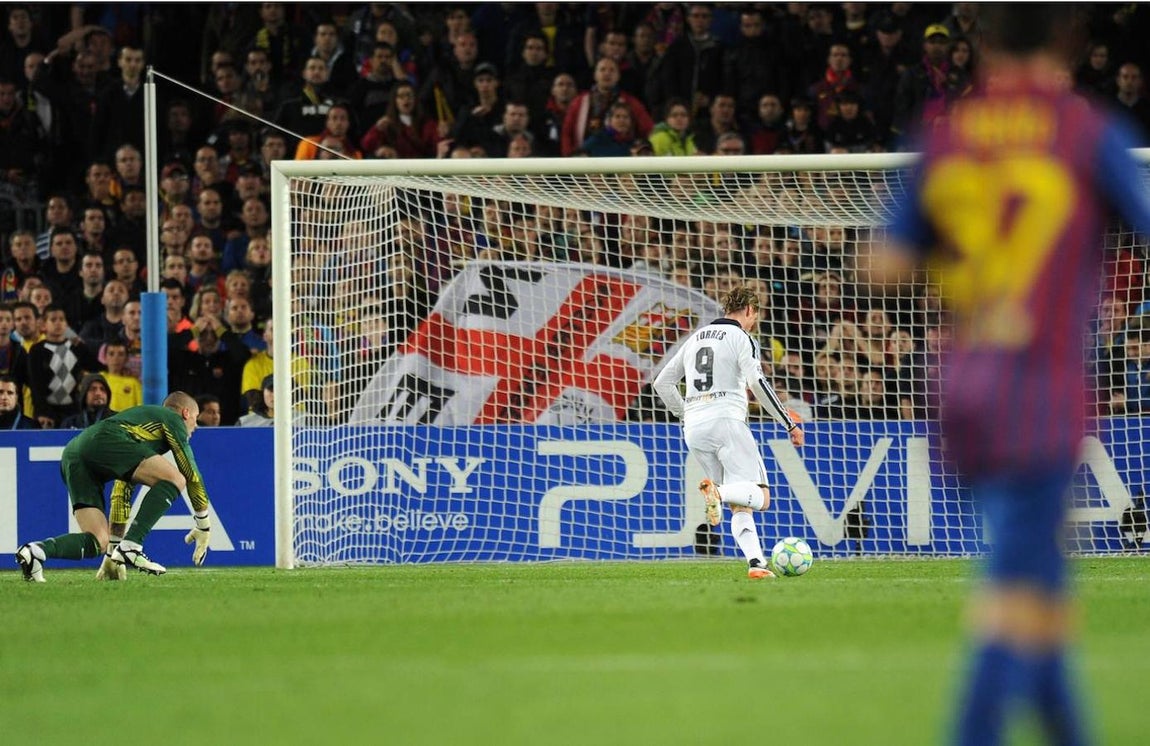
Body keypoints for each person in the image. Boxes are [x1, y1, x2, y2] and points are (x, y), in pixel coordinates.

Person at [872, 6, 1150, 744]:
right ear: (1068, 41)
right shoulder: (1084, 131)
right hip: (1040, 388)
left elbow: (885, 263)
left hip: (962, 387)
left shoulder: (946, 132)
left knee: (1038, 585)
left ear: (982, 44)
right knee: (1012, 595)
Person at [653, 286, 804, 579]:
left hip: (694, 428)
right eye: (755, 315)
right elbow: (757, 383)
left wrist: (685, 413)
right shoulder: (741, 337)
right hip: (727, 422)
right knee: (761, 497)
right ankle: (717, 493)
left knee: (741, 503)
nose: (754, 321)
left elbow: (662, 383)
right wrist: (788, 422)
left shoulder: (695, 338)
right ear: (749, 309)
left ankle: (756, 563)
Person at [15, 391, 212, 582]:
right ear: (186, 413)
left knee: (98, 540)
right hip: (103, 439)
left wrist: (113, 551)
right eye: (195, 419)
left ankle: (36, 552)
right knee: (175, 479)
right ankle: (132, 546)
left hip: (73, 455)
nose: (195, 426)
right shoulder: (172, 418)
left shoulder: (142, 430)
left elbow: (121, 492)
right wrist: (203, 523)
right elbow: (191, 474)